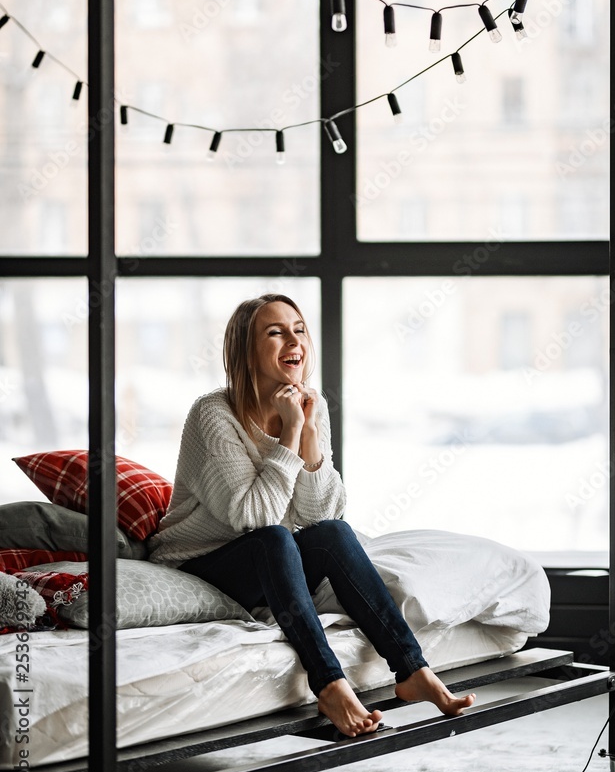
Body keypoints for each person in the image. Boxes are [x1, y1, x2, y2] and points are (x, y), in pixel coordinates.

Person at [149, 293, 475, 737]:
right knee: (274, 539)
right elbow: (253, 516)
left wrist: (306, 433)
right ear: (246, 349)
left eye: (298, 329)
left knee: (335, 535)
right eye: (275, 331)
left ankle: (412, 670)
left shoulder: (309, 405)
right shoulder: (213, 414)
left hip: (266, 561)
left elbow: (321, 511)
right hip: (200, 565)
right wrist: (291, 435)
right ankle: (329, 682)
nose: (293, 340)